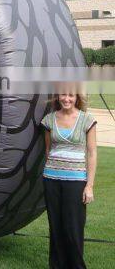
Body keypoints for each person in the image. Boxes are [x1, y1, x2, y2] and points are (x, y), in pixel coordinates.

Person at [40, 92, 97, 269]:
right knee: (55, 228)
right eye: (63, 95)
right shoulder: (49, 120)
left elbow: (92, 153)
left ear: (77, 97)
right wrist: (55, 169)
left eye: (71, 95)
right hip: (51, 180)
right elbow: (48, 149)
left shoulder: (87, 120)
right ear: (58, 97)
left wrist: (89, 185)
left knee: (73, 229)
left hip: (76, 182)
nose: (67, 99)